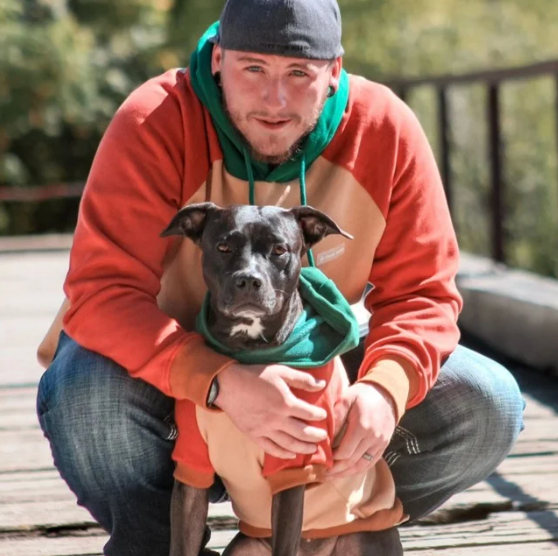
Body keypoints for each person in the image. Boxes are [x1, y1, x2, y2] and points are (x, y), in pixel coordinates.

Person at [35, 0, 524, 555]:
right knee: (86, 395)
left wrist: (385, 392)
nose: (275, 100)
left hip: (312, 373)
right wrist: (218, 381)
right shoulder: (155, 119)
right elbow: (101, 291)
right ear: (218, 59)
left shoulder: (385, 128)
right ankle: (163, 543)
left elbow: (425, 294)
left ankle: (318, 528)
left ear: (334, 71)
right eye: (252, 69)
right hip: (171, 386)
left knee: (486, 403)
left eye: (298, 74)